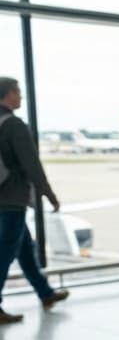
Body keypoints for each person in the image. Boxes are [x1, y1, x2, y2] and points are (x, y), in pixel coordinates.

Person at [0, 77, 70, 324]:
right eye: (17, 92)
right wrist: (49, 194)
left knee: (24, 249)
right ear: (8, 95)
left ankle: (45, 293)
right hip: (11, 200)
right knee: (4, 255)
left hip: (5, 201)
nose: (21, 97)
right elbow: (31, 164)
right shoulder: (14, 125)